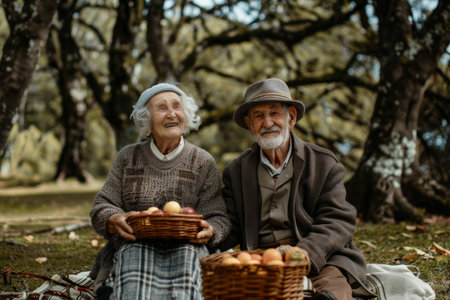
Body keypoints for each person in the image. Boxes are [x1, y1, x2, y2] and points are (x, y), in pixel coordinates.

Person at [220, 78, 374, 300]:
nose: (267, 122)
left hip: (320, 256)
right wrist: (208, 232)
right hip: (263, 260)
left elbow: (338, 220)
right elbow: (230, 223)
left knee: (333, 289)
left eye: (275, 113)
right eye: (258, 116)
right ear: (250, 124)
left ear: (291, 117)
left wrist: (306, 252)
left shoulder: (324, 163)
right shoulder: (236, 170)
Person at [89, 82, 231, 299]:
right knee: (133, 257)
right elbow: (101, 206)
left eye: (177, 107)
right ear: (147, 120)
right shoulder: (128, 157)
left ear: (186, 115)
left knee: (187, 260)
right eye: (162, 108)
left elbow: (218, 216)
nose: (171, 113)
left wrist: (210, 230)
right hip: (136, 244)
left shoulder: (202, 162)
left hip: (187, 247)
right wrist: (114, 219)